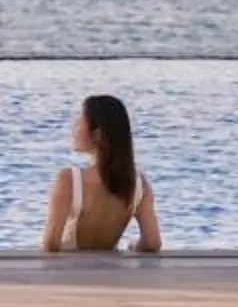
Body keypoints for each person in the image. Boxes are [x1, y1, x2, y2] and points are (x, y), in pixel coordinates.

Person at [42, 93, 162, 253]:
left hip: (71, 274)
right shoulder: (138, 184)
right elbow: (153, 242)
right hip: (111, 274)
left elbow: (51, 243)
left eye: (79, 122)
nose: (74, 128)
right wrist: (134, 246)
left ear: (97, 134)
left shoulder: (69, 180)